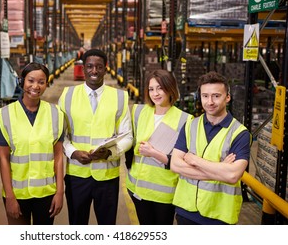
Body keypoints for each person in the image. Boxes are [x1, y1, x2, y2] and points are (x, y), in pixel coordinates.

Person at [58, 48, 133, 225]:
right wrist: (73, 152)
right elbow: (61, 135)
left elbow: (127, 136)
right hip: (77, 174)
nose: (94, 71)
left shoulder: (120, 97)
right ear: (83, 68)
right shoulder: (67, 95)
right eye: (90, 66)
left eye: (99, 67)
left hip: (107, 176)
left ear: (105, 68)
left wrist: (111, 154)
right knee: (77, 224)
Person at [170, 71, 252, 225]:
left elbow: (233, 175)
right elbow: (175, 164)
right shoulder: (189, 126)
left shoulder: (239, 133)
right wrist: (220, 170)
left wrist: (195, 160)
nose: (210, 102)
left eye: (216, 96)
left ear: (227, 97)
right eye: (205, 96)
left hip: (219, 216)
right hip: (185, 210)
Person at [0, 62, 64, 225]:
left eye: (41, 82)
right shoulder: (5, 115)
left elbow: (58, 155)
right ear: (22, 81)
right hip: (17, 194)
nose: (35, 86)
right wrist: (10, 196)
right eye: (31, 80)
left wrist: (60, 192)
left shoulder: (56, 114)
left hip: (46, 193)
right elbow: (3, 159)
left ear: (46, 84)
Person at [126, 69, 192, 225]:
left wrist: (154, 153)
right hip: (137, 188)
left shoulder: (185, 120)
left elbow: (184, 160)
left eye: (160, 88)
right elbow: (131, 141)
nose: (155, 93)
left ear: (170, 89)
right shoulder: (139, 112)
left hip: (165, 192)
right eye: (151, 89)